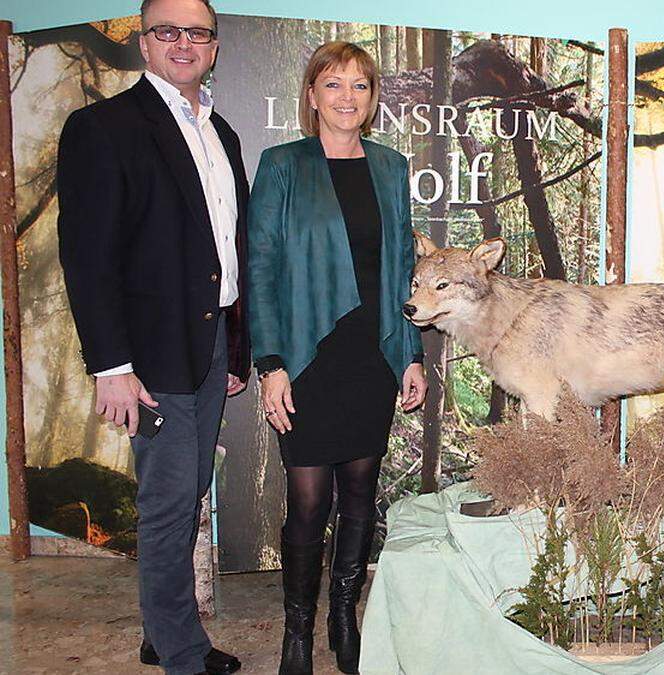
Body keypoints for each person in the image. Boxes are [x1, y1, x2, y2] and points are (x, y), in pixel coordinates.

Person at [56, 1, 249, 673]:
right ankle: (180, 653)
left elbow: (228, 248)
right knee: (169, 504)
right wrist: (112, 364)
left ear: (214, 45)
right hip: (152, 354)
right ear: (144, 42)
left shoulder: (220, 132)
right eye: (167, 31)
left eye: (197, 32)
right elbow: (87, 256)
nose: (183, 43)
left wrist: (234, 349)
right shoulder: (102, 128)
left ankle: (157, 630)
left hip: (210, 347)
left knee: (189, 488)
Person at [246, 41, 427, 675]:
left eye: (360, 86)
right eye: (334, 84)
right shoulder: (283, 164)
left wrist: (411, 355)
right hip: (305, 357)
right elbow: (260, 267)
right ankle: (296, 632)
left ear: (373, 99)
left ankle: (343, 616)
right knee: (308, 502)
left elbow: (403, 267)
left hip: (371, 355)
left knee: (360, 492)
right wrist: (270, 364)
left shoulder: (390, 167)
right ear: (313, 95)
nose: (347, 97)